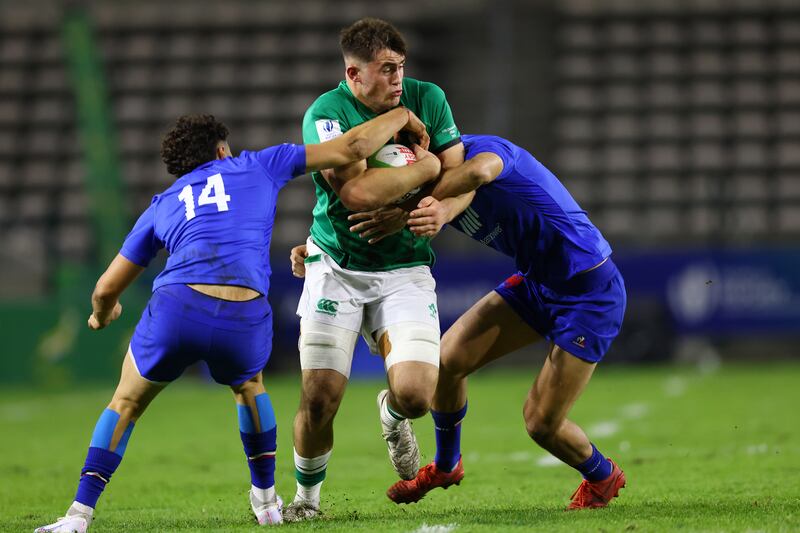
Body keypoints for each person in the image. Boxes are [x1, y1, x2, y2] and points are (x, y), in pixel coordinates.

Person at [34, 108, 439, 533]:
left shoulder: (165, 203)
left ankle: (78, 516)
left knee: (126, 403)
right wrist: (402, 116)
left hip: (178, 308)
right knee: (249, 389)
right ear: (223, 149)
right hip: (242, 314)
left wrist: (103, 314)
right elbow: (353, 147)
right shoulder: (259, 163)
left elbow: (104, 289)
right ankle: (266, 503)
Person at [293, 134, 628, 511]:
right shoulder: (426, 193)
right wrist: (320, 250)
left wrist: (416, 193)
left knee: (540, 423)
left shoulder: (484, 150)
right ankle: (447, 465)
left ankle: (602, 475)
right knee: (446, 363)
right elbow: (377, 239)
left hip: (589, 289)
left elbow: (481, 173)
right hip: (537, 283)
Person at [283, 17, 465, 522]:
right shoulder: (326, 112)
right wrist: (424, 166)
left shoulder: (431, 97)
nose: (398, 79)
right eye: (386, 70)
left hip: (405, 267)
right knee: (319, 398)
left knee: (416, 396)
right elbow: (355, 192)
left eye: (401, 68)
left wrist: (426, 208)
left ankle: (391, 413)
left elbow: (464, 174)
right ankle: (307, 499)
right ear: (354, 74)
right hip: (336, 266)